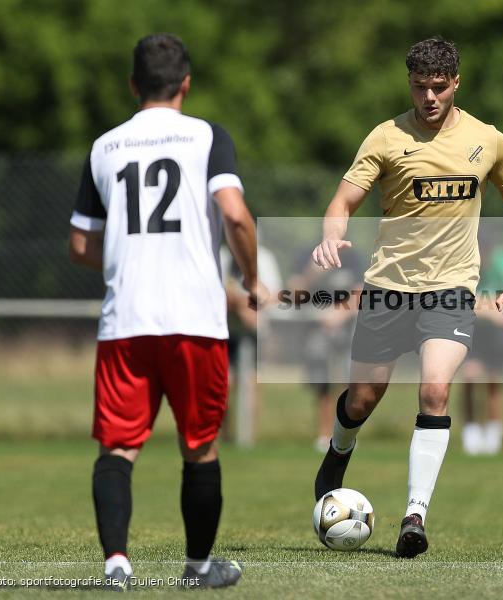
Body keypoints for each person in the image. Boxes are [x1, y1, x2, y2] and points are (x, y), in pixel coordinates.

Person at [310, 37, 503, 559]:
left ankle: (415, 516)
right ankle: (339, 450)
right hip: (388, 289)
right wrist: (330, 234)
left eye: (438, 87)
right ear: (408, 83)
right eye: (419, 87)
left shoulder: (488, 141)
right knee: (363, 400)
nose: (429, 97)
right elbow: (343, 199)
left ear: (456, 82)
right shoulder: (387, 138)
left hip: (452, 289)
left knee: (434, 390)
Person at [68, 33, 264, 589]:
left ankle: (116, 566)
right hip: (195, 320)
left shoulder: (104, 147)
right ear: (186, 84)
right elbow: (237, 216)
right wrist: (250, 279)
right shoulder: (208, 137)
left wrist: (132, 253)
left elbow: (80, 246)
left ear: (133, 85)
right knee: (199, 446)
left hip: (126, 319)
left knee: (119, 446)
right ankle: (199, 568)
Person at [288, 244, 364, 453]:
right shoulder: (307, 254)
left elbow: (361, 292)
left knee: (349, 383)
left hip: (349, 328)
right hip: (316, 329)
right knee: (323, 384)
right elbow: (294, 293)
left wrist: (341, 313)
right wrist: (313, 273)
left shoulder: (353, 257)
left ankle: (345, 435)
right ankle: (324, 435)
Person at [220, 245, 281, 445]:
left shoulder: (264, 258)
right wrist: (241, 305)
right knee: (223, 384)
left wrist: (243, 304)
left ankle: (248, 438)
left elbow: (274, 295)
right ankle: (224, 436)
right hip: (224, 330)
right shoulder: (223, 256)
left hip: (255, 331)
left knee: (252, 382)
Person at [460, 239, 503, 456]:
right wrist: (489, 306)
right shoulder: (463, 261)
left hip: (495, 333)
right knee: (470, 377)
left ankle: (493, 434)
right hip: (470, 328)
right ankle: (470, 432)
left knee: (494, 381)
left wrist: (486, 306)